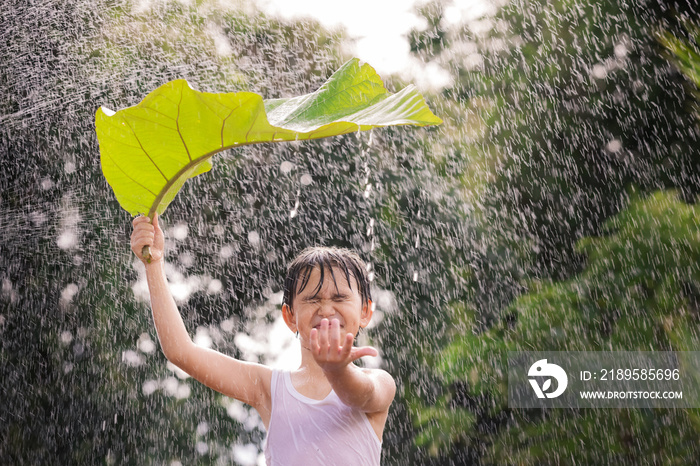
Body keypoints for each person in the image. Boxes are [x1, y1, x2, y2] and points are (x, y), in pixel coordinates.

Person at [130, 214, 396, 465]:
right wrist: (154, 264)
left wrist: (337, 370)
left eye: (339, 298)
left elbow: (360, 396)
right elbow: (180, 352)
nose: (326, 309)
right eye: (312, 299)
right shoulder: (270, 388)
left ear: (365, 312)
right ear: (290, 316)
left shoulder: (379, 382)